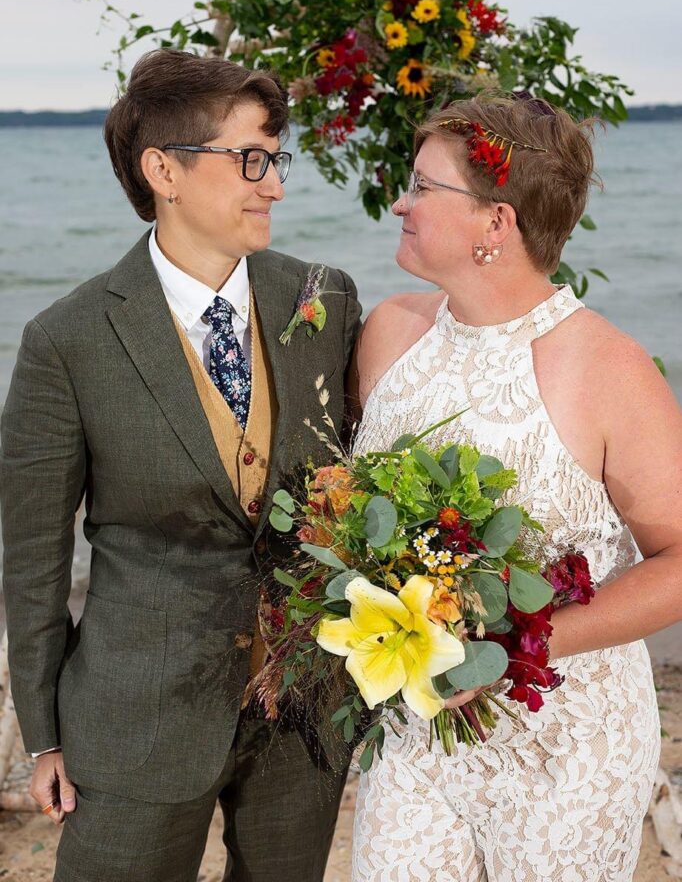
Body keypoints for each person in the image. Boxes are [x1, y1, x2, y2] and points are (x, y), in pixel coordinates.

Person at [0, 48, 361, 882]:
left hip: (302, 709)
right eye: (250, 160)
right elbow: (35, 559)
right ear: (163, 169)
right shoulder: (69, 339)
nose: (273, 185)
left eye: (276, 160)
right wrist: (45, 730)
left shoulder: (324, 297)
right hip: (136, 715)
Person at [350, 93, 682, 881]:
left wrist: (508, 650)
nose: (401, 201)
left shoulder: (609, 368)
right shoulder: (390, 331)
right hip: (417, 733)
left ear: (495, 224)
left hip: (564, 744)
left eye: (425, 188)